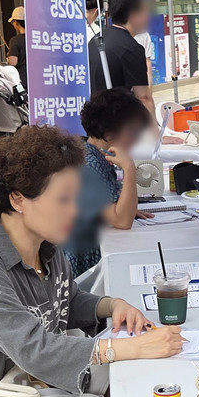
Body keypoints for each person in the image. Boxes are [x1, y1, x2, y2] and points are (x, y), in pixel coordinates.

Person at [0, 124, 183, 393]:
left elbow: (65, 301)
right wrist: (132, 347)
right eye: (63, 200)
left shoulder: (47, 244)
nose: (75, 211)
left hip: (35, 389)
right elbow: (34, 350)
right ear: (18, 200)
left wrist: (113, 305)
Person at [64, 88, 155, 276]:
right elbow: (122, 220)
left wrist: (125, 206)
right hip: (84, 265)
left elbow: (112, 210)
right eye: (131, 131)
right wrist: (129, 168)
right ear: (108, 130)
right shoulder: (89, 163)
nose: (136, 139)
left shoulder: (89, 152)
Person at [88, 0, 155, 117]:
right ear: (133, 14)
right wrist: (155, 135)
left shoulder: (95, 40)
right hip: (119, 124)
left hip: (96, 121)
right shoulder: (131, 48)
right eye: (145, 10)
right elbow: (144, 98)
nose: (149, 16)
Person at [6, 6, 27, 90]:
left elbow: (12, 62)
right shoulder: (36, 38)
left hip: (22, 81)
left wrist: (7, 59)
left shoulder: (15, 40)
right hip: (36, 80)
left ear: (16, 22)